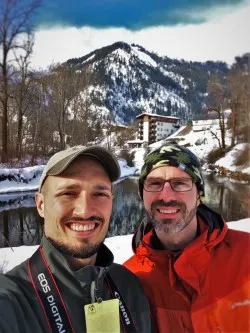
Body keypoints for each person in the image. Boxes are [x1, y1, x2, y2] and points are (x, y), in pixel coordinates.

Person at [0, 146, 154, 333]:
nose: (85, 210)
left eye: (100, 194)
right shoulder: (13, 299)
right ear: (41, 204)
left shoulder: (129, 286)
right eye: (68, 193)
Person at [124, 143, 250, 333]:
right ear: (142, 195)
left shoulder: (246, 254)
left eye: (180, 183)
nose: (166, 196)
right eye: (155, 184)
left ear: (199, 195)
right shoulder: (129, 279)